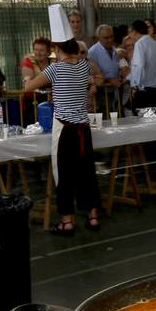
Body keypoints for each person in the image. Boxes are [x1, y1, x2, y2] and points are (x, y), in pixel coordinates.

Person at [26, 27, 103, 235]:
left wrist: (36, 82)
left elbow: (29, 87)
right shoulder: (84, 66)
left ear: (58, 48)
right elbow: (92, 78)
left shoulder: (55, 69)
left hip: (65, 128)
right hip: (83, 127)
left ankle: (67, 221)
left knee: (64, 173)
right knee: (87, 172)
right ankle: (93, 215)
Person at [126, 18, 156, 112]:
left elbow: (139, 66)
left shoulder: (140, 44)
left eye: (130, 32)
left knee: (143, 122)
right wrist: (127, 78)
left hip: (144, 92)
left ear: (134, 31)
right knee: (154, 121)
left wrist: (135, 86)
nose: (129, 36)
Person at [87, 24, 122, 112]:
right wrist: (109, 80)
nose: (110, 40)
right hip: (100, 97)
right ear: (99, 38)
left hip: (115, 95)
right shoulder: (93, 52)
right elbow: (91, 76)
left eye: (111, 36)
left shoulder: (115, 50)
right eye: (106, 38)